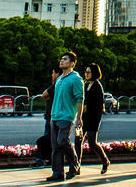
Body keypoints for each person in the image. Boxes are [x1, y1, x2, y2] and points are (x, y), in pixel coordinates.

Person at [49, 51, 85, 183]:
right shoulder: (59, 79)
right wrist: (52, 116)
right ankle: (57, 173)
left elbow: (80, 98)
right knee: (55, 147)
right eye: (61, 59)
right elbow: (55, 99)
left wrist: (79, 117)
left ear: (72, 63)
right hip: (55, 116)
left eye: (65, 59)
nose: (61, 61)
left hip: (67, 116)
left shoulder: (76, 79)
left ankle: (75, 163)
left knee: (62, 140)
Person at [80, 64, 110, 175]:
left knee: (92, 143)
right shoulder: (86, 84)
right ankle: (76, 165)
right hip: (83, 118)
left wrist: (88, 108)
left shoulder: (97, 86)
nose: (86, 74)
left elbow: (99, 106)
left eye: (89, 72)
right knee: (79, 142)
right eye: (86, 72)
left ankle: (105, 161)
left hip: (93, 118)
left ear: (94, 73)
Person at [33, 68, 62, 168]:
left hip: (51, 115)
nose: (52, 75)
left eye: (53, 73)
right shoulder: (59, 83)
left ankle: (41, 160)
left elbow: (44, 95)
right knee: (51, 139)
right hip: (52, 115)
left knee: (47, 138)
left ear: (58, 74)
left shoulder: (57, 84)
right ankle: (50, 159)